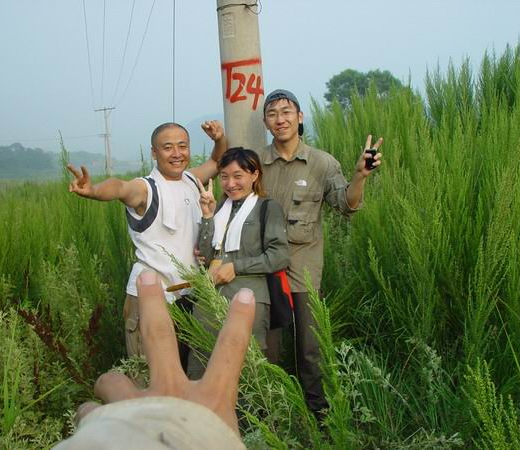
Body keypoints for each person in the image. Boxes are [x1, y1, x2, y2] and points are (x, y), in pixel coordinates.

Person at [259, 89, 383, 413]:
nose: (280, 119)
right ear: (266, 122)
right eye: (272, 113)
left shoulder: (321, 162)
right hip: (265, 267)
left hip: (304, 266)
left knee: (309, 347)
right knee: (267, 347)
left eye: (286, 112)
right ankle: (271, 414)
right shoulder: (256, 163)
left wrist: (360, 176)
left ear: (299, 117)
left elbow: (346, 205)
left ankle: (319, 415)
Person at [67, 121, 227, 367]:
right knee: (150, 374)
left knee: (184, 373)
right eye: (168, 147)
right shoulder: (146, 188)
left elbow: (217, 161)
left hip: (188, 297)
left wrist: (219, 139)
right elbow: (120, 187)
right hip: (153, 297)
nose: (177, 153)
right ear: (154, 152)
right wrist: (94, 190)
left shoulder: (191, 180)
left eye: (182, 146)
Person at [53, 270, 253, 450]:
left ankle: (144, 413)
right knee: (146, 373)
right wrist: (191, 434)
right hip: (162, 296)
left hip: (183, 296)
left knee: (166, 378)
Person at [188, 147, 289, 379]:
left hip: (248, 299)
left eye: (237, 176)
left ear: (255, 175)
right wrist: (207, 216)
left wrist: (237, 267)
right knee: (202, 364)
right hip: (210, 301)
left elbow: (279, 256)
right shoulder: (219, 209)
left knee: (246, 371)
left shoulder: (267, 208)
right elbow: (205, 256)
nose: (230, 183)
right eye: (224, 176)